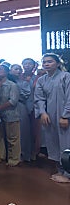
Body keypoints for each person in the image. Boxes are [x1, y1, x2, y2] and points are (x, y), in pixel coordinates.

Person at [34, 53, 70, 183]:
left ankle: (68, 174)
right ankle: (61, 169)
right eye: (44, 62)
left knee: (66, 143)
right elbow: (39, 98)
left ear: (58, 63)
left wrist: (66, 116)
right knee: (53, 142)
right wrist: (43, 113)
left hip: (63, 115)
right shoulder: (42, 80)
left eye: (50, 61)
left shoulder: (66, 77)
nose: (46, 64)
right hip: (49, 116)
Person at [0, 64, 21, 166]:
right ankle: (0, 156)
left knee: (12, 138)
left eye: (0, 69)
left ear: (7, 72)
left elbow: (13, 101)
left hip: (11, 114)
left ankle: (14, 158)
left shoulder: (12, 85)